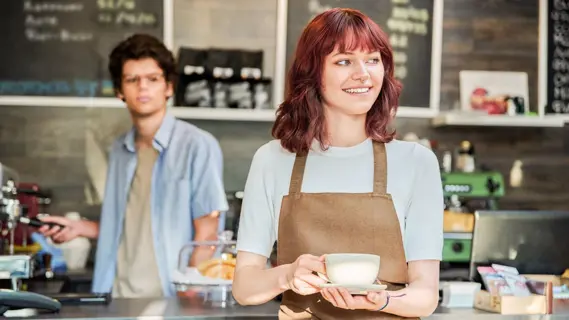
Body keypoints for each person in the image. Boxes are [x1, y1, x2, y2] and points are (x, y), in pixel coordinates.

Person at [232, 8, 443, 319]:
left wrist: (381, 302)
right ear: (312, 74)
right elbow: (245, 287)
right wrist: (289, 274)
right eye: (344, 61)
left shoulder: (417, 163)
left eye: (373, 59)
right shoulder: (273, 160)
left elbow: (425, 294)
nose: (363, 73)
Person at [38, 34, 229, 298]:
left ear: (169, 87)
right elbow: (129, 223)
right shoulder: (120, 150)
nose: (143, 88)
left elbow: (207, 233)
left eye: (152, 79)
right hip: (117, 295)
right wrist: (81, 228)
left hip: (170, 298)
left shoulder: (197, 145)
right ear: (119, 91)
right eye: (132, 80)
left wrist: (192, 294)